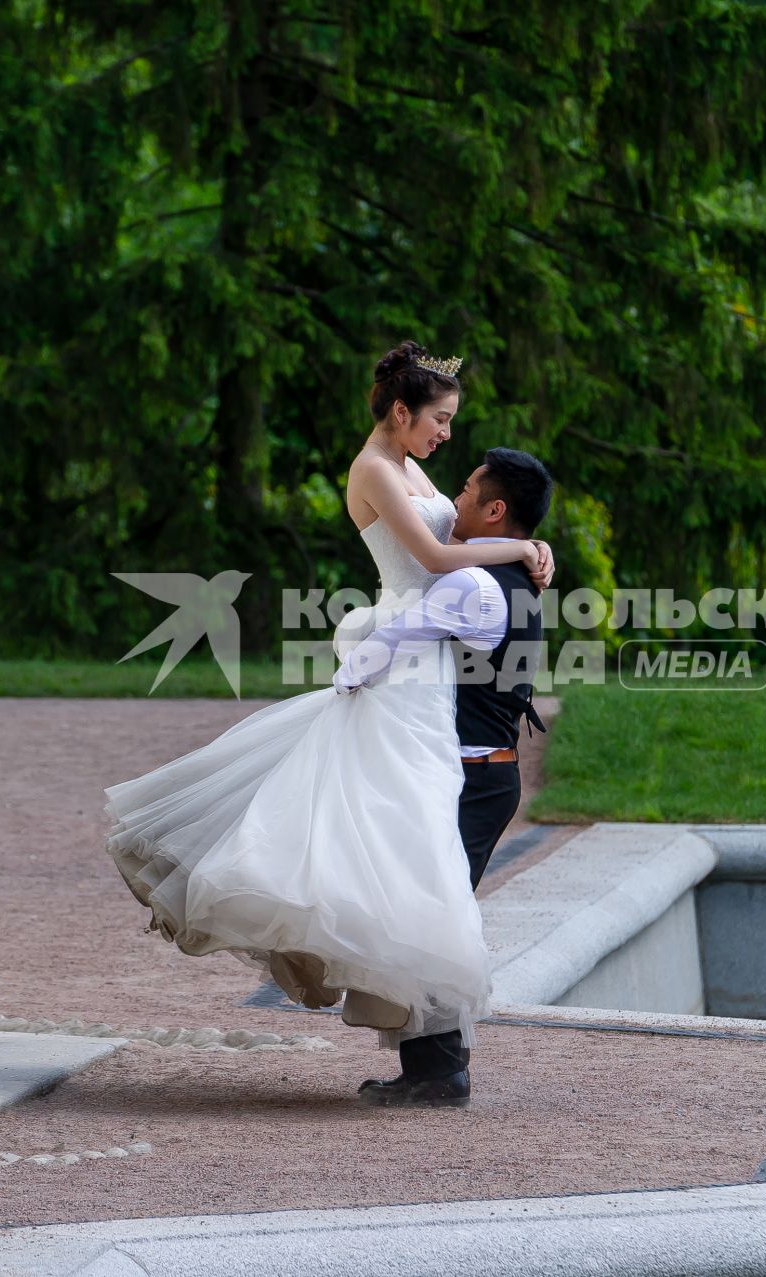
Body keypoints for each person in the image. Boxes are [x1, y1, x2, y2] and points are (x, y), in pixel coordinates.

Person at [103, 341, 553, 1092]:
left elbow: (456, 540)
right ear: (402, 411)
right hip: (406, 666)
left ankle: (435, 1053)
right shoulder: (374, 469)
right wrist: (528, 544)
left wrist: (519, 548)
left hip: (428, 669)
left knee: (408, 846)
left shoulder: (410, 465)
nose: (446, 435)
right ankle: (434, 1056)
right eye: (439, 419)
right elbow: (440, 559)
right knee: (394, 838)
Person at [333, 446, 553, 1107]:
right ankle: (433, 1065)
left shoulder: (469, 584)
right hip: (491, 775)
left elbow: (394, 638)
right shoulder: (514, 578)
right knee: (433, 913)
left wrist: (343, 681)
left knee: (428, 919)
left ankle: (438, 1071)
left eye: (465, 491)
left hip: (470, 778)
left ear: (494, 509)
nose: (453, 502)